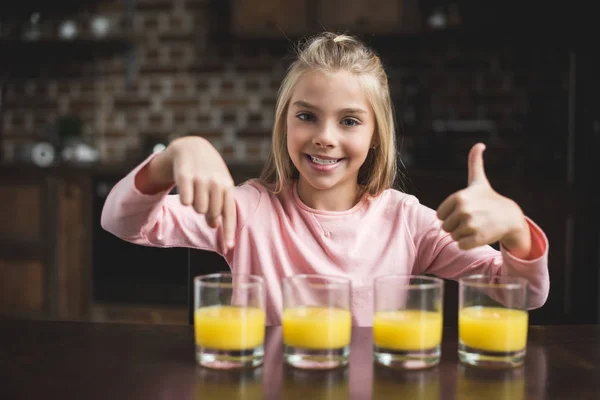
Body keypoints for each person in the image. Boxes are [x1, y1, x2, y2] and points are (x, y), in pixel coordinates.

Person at [101, 32, 549, 326]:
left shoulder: (407, 221)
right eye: (307, 117)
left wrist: (513, 226)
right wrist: (175, 155)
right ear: (285, 123)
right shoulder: (248, 209)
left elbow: (524, 295)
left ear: (377, 136)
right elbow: (121, 223)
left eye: (350, 121)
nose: (324, 138)